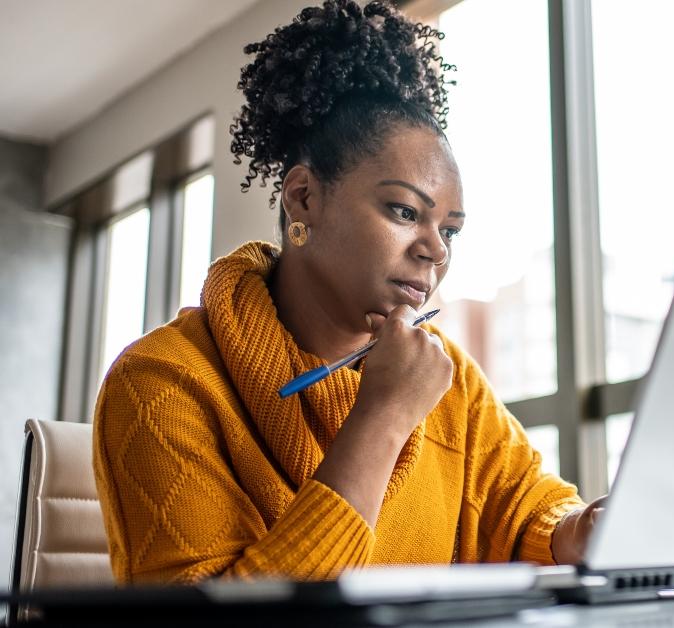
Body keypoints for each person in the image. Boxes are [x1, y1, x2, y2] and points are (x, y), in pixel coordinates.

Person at [92, 0, 603, 584]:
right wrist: (383, 417)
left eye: (451, 230)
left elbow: (524, 506)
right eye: (405, 210)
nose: (435, 249)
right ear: (304, 197)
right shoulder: (162, 383)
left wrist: (577, 528)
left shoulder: (448, 377)